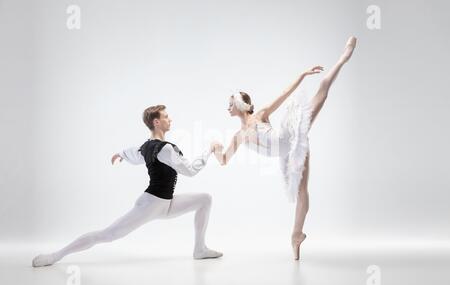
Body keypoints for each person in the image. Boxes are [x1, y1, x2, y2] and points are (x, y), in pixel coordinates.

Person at [211, 36, 357, 260]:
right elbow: (223, 160)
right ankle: (296, 236)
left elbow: (284, 94)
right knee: (300, 192)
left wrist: (302, 75)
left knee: (322, 92)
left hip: (290, 134)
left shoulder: (261, 115)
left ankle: (342, 59)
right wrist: (215, 148)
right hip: (287, 154)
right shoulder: (238, 136)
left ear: (240, 105)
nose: (227, 107)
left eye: (230, 104)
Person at [32, 105, 222, 267]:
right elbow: (190, 171)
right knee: (108, 235)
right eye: (165, 116)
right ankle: (55, 256)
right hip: (152, 204)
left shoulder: (148, 146)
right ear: (156, 122)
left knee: (205, 199)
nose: (169, 119)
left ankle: (200, 249)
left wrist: (121, 154)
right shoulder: (165, 149)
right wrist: (209, 150)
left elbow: (135, 154)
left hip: (166, 203)